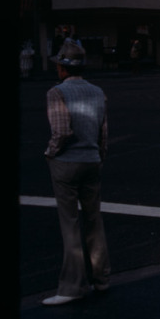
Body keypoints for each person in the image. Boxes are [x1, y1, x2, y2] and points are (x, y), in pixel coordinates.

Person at [42, 39, 112, 305]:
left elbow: (61, 132)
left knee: (69, 223)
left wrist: (50, 153)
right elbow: (104, 133)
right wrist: (99, 156)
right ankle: (101, 278)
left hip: (67, 162)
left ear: (62, 68)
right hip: (92, 160)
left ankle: (73, 286)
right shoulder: (97, 91)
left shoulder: (57, 92)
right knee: (94, 220)